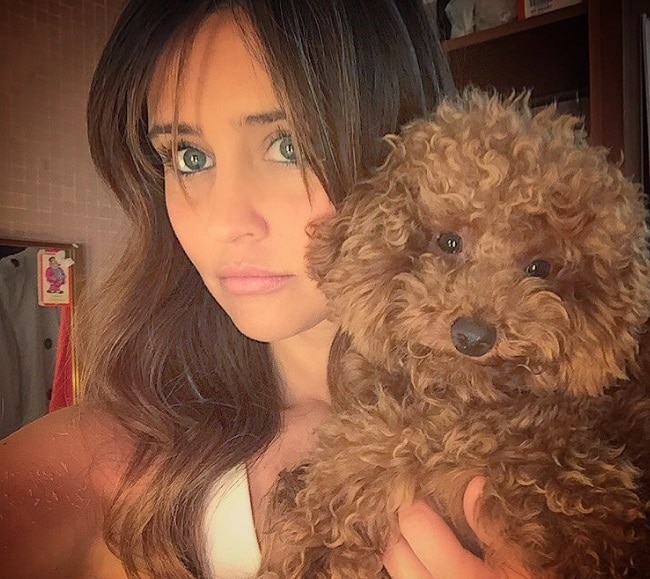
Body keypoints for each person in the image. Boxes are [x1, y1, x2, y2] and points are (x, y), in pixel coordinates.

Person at [0, 1, 531, 578]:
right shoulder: (105, 466)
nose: (225, 221)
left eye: (289, 146)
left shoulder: (538, 429)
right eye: (190, 156)